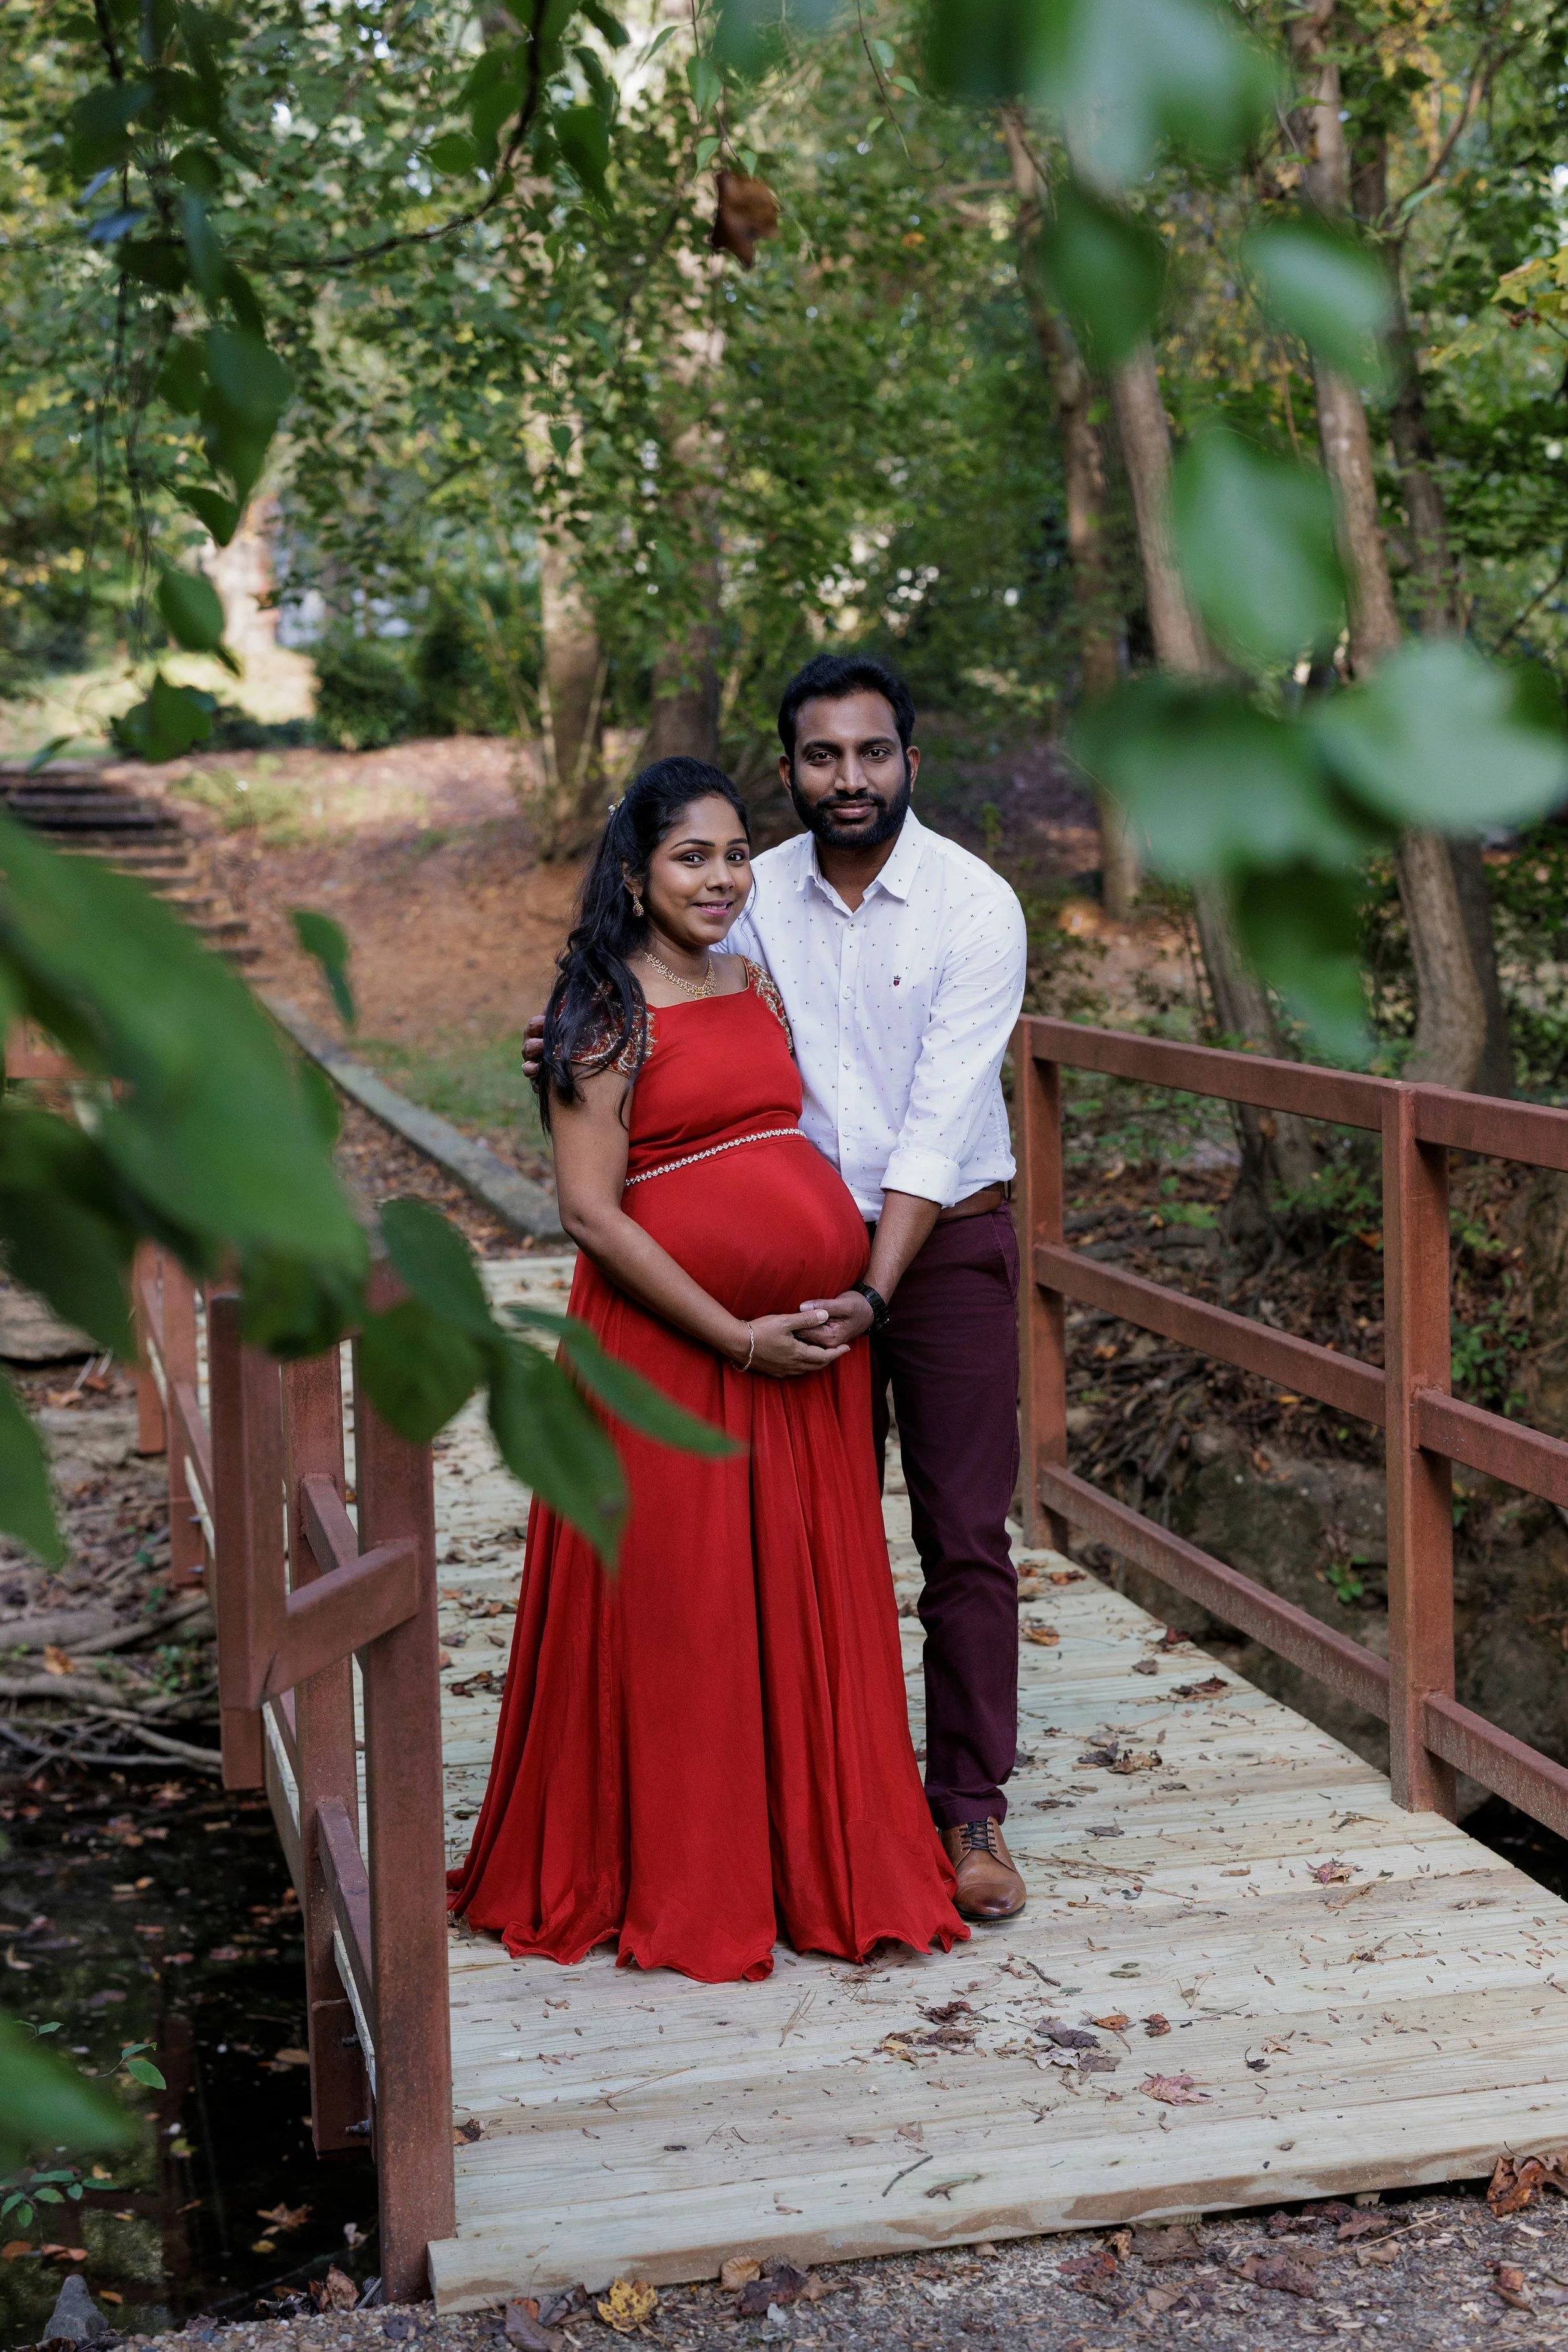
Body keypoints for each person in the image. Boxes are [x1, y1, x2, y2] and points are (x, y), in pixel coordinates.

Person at [526, 655, 1031, 1925]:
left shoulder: (974, 905)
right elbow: (651, 1011)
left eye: (871, 752)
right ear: (793, 768)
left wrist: (874, 1286)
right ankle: (800, 1807)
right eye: (821, 757)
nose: (848, 777)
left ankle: (968, 1808)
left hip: (937, 1249)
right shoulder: (751, 897)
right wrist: (562, 1045)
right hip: (783, 1293)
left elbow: (936, 1126)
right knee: (804, 1542)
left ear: (909, 758)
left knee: (964, 1536)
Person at [449, 755, 967, 1985]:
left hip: (807, 1361)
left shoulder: (752, 980)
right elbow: (590, 1212)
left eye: (736, 854)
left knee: (798, 1603)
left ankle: (808, 1863)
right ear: (634, 875)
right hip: (674, 1354)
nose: (722, 877)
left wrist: (821, 1299)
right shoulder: (597, 1011)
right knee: (687, 1613)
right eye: (692, 856)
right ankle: (694, 1876)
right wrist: (735, 1333)